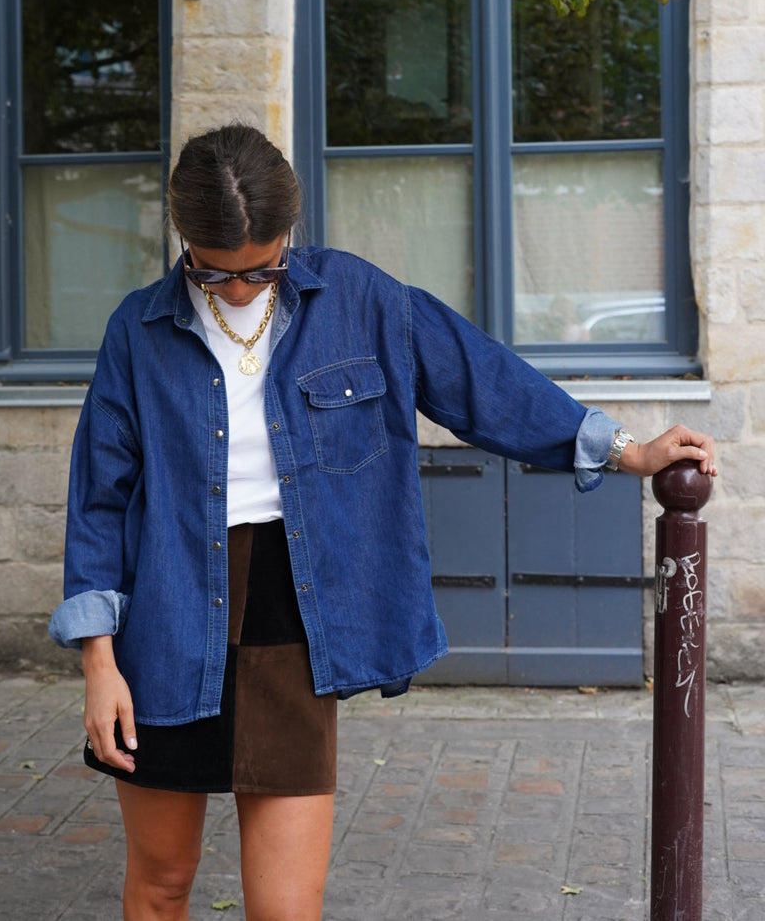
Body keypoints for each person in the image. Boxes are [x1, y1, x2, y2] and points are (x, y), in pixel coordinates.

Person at [50, 122, 717, 921]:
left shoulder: (363, 302)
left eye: (260, 269)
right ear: (183, 238)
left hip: (293, 624)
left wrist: (627, 450)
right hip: (165, 621)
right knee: (160, 886)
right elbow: (99, 498)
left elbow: (482, 381)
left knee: (286, 906)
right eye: (213, 272)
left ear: (290, 232)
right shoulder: (138, 330)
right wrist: (98, 662)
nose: (237, 291)